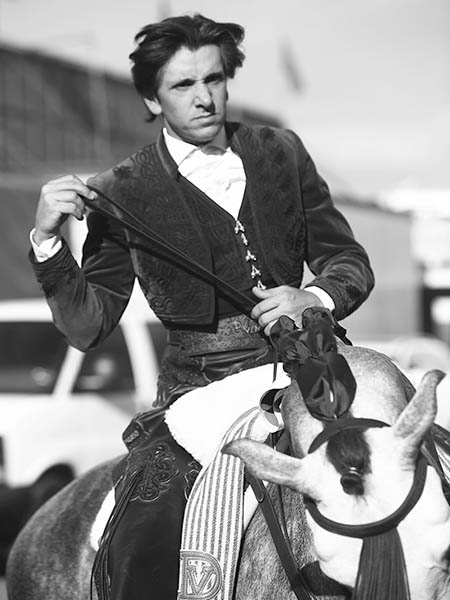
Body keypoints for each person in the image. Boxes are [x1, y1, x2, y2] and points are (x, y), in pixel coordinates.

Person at [29, 13, 374, 599]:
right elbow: (88, 326)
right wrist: (47, 240)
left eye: (213, 79)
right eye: (183, 85)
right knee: (148, 530)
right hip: (201, 392)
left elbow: (348, 260)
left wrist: (312, 296)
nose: (204, 98)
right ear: (152, 98)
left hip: (318, 365)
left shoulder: (282, 150)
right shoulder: (118, 190)